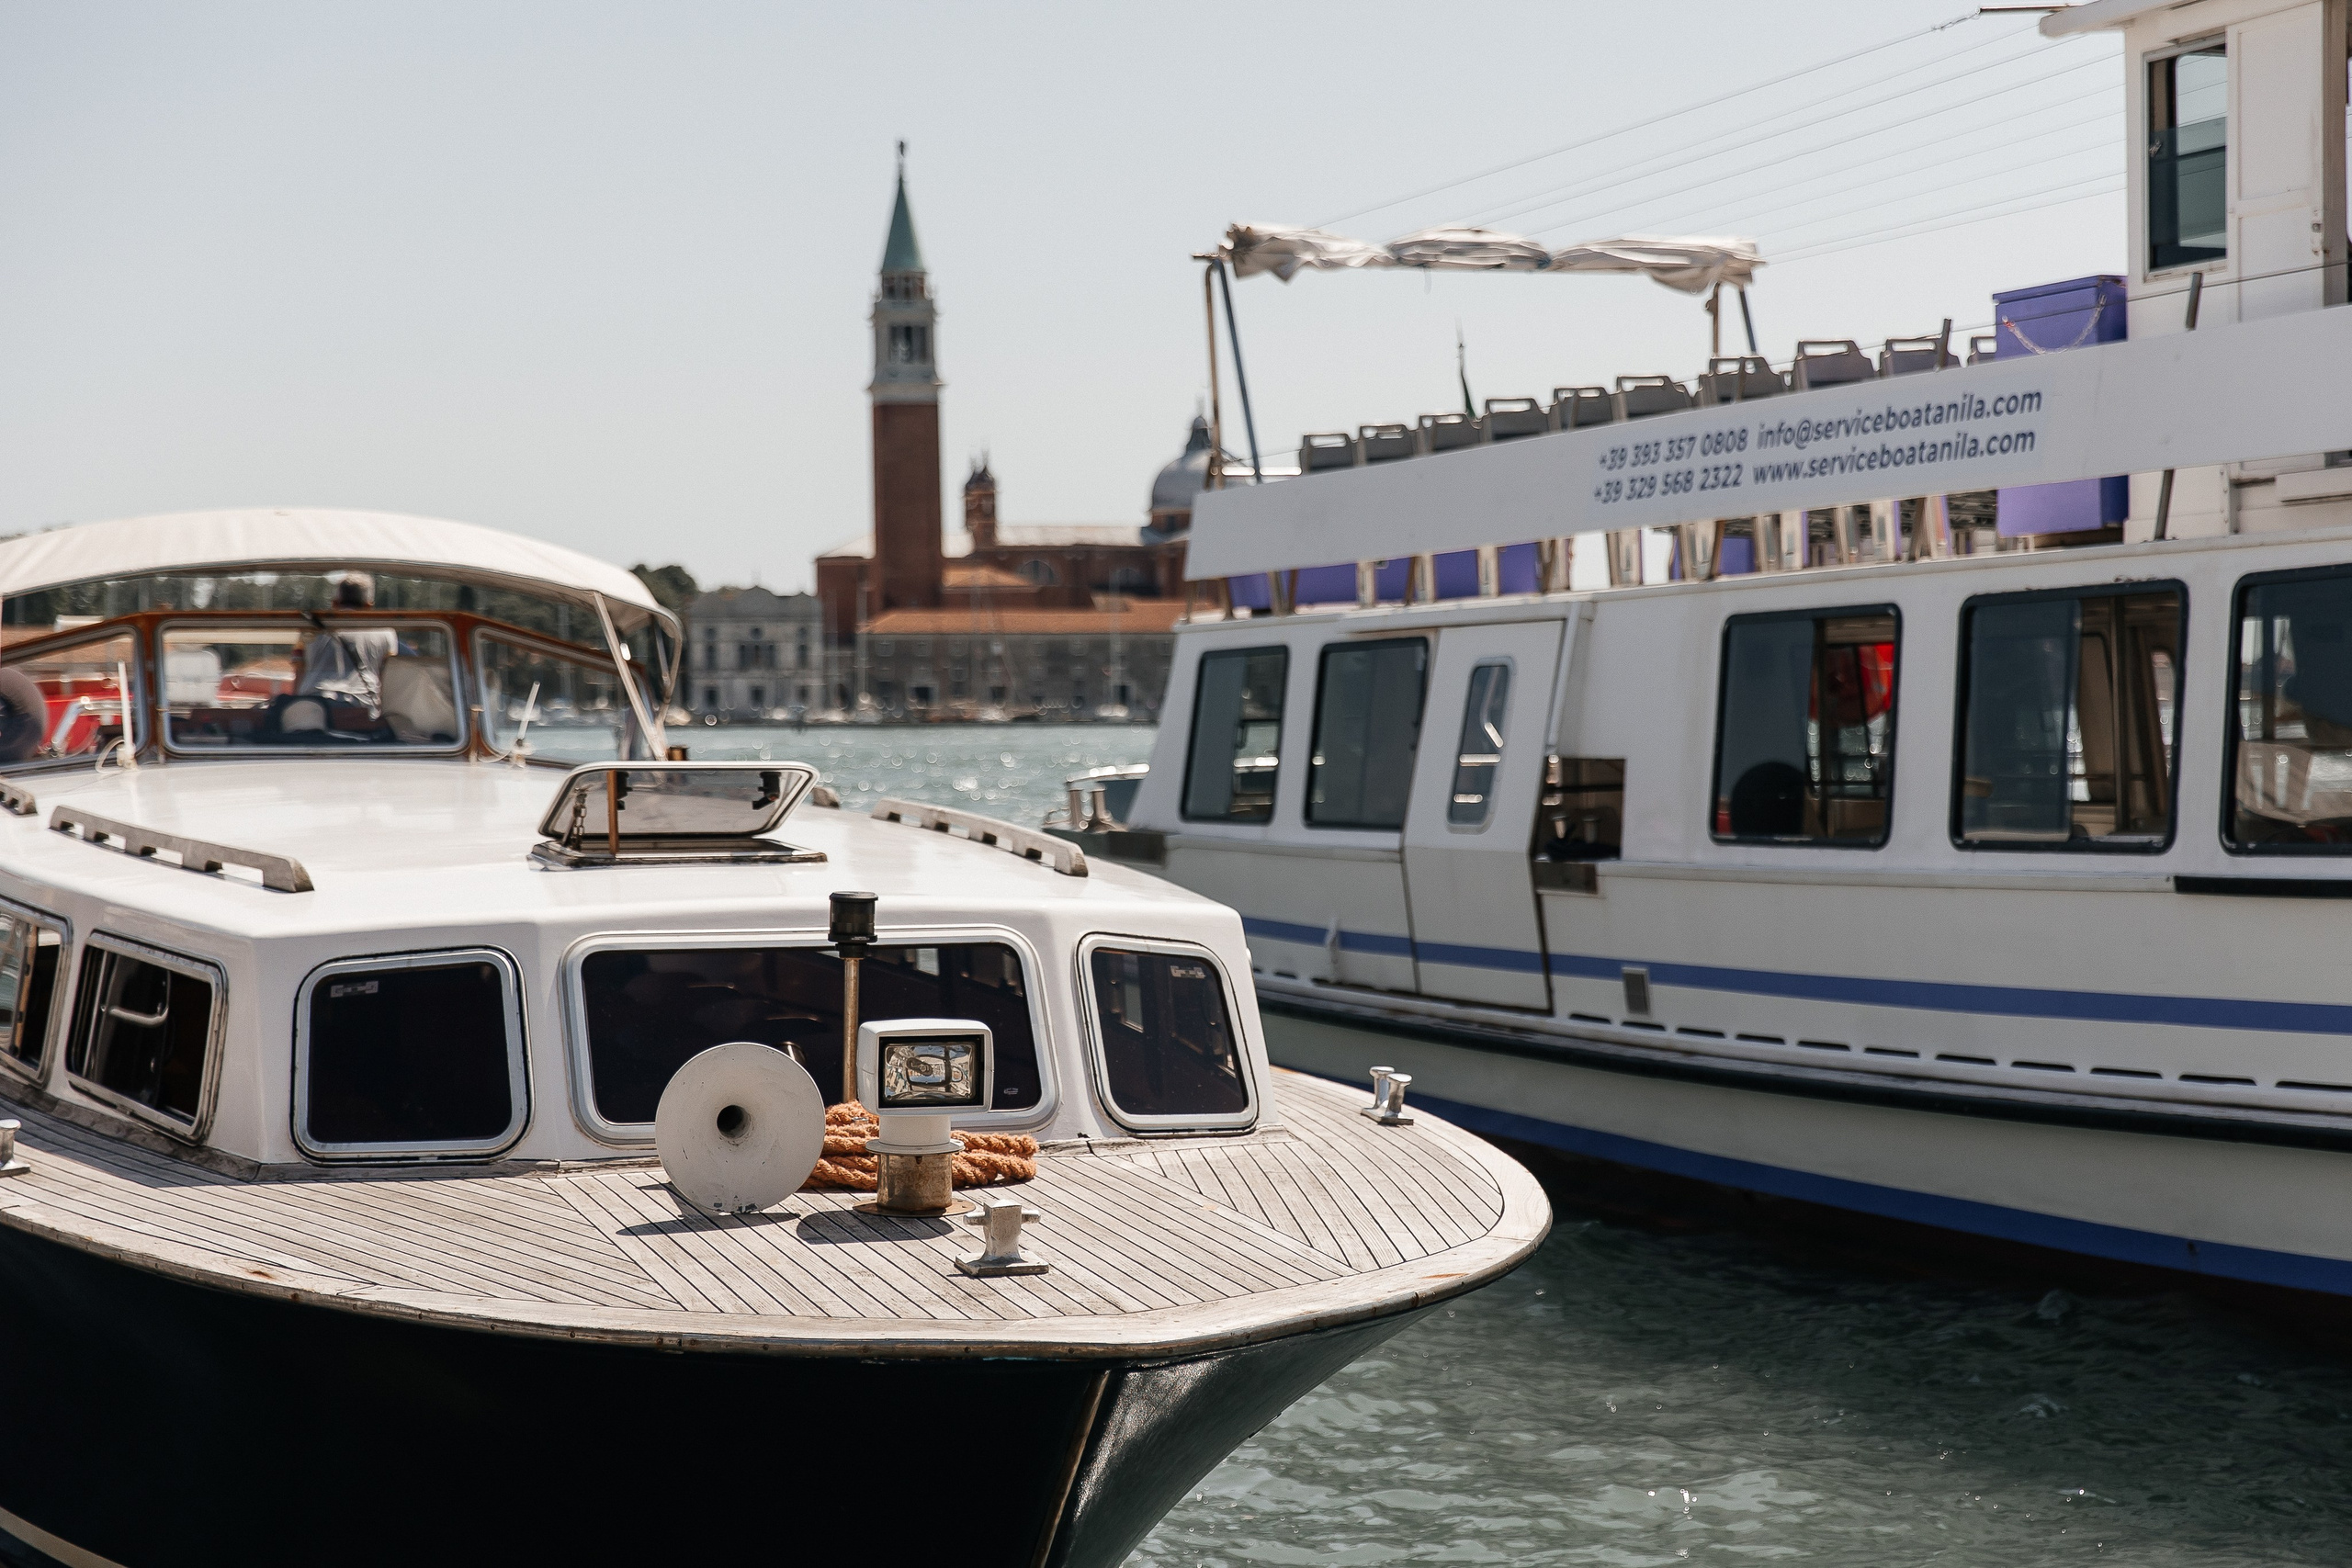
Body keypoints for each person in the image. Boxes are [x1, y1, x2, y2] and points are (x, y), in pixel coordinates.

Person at [297, 574, 400, 705]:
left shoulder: (310, 629)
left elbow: (299, 673)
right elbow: (387, 681)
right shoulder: (386, 632)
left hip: (314, 704)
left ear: (334, 602)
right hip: (362, 707)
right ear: (369, 605)